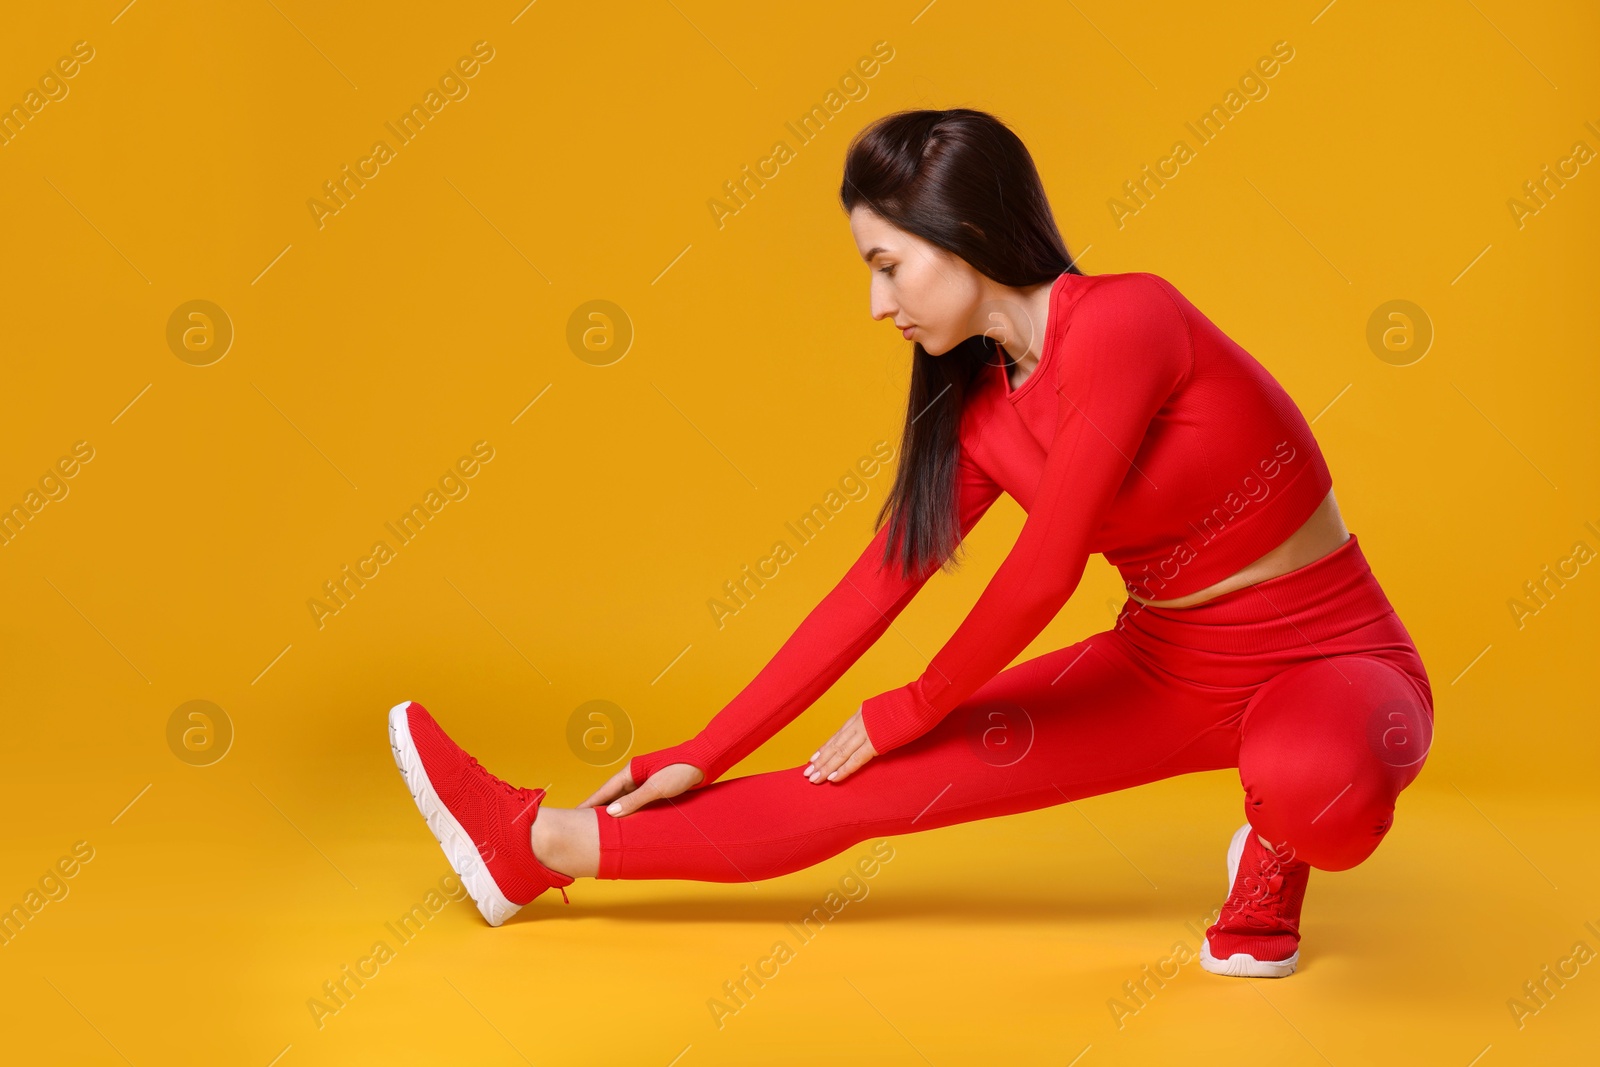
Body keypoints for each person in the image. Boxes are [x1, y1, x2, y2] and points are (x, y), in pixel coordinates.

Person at [387, 108, 1434, 978]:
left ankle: (1275, 849)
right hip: (1165, 667)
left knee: (1316, 783)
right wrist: (703, 748)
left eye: (887, 264)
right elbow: (872, 588)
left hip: (1330, 657)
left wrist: (912, 703)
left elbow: (1049, 561)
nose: (874, 302)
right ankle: (539, 843)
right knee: (861, 790)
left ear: (963, 230)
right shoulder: (979, 414)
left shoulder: (1127, 320)